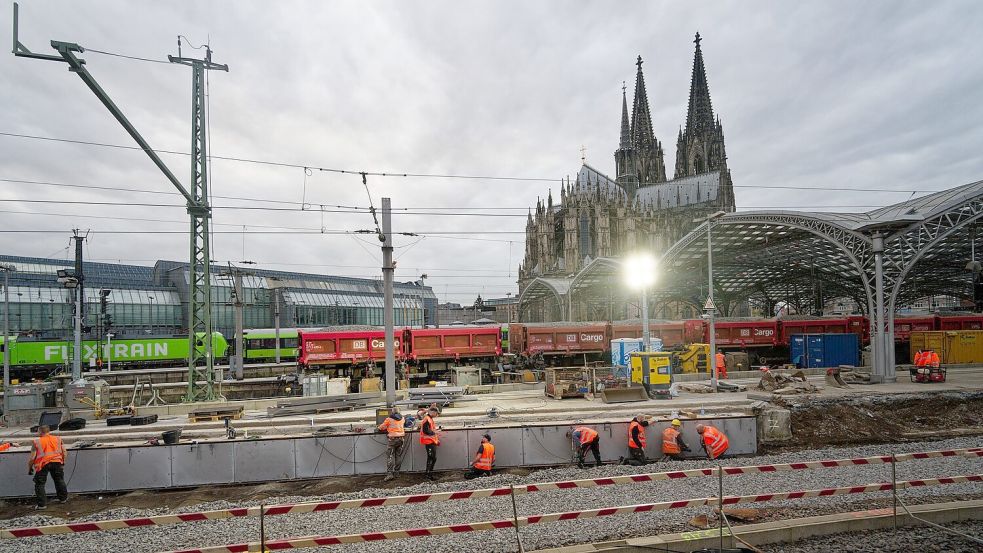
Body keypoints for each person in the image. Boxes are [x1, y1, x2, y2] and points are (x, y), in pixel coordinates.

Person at [29, 425, 68, 509]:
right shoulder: (58, 439)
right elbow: (64, 451)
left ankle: (42, 505)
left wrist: (30, 468)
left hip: (43, 464)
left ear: (39, 431)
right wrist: (63, 462)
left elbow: (32, 458)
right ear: (49, 431)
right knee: (59, 480)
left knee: (40, 484)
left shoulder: (36, 441)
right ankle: (63, 499)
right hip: (57, 462)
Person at [377, 409, 406, 481]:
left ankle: (390, 474)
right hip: (401, 439)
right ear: (399, 412)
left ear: (392, 412)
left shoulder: (389, 419)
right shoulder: (402, 418)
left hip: (393, 440)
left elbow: (381, 428)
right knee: (398, 455)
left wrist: (378, 427)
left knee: (390, 456)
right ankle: (397, 473)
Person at [419, 407, 441, 480]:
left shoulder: (429, 419)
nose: (437, 415)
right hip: (429, 442)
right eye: (436, 413)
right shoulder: (427, 419)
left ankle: (429, 474)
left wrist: (436, 439)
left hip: (431, 441)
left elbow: (429, 430)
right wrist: (435, 432)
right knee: (432, 458)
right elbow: (426, 431)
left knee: (432, 458)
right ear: (433, 412)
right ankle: (428, 475)